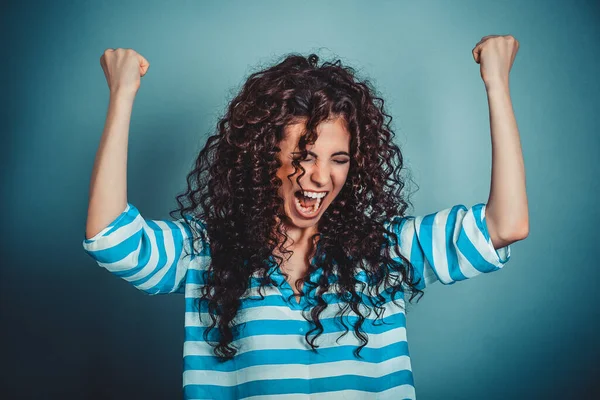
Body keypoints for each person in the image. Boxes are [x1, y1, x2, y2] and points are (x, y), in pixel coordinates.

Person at [83, 36, 528, 399]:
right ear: (262, 157)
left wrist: (496, 84)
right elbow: (110, 237)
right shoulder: (207, 252)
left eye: (339, 158)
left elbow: (506, 225)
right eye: (303, 155)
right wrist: (122, 95)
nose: (319, 176)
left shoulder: (386, 251)